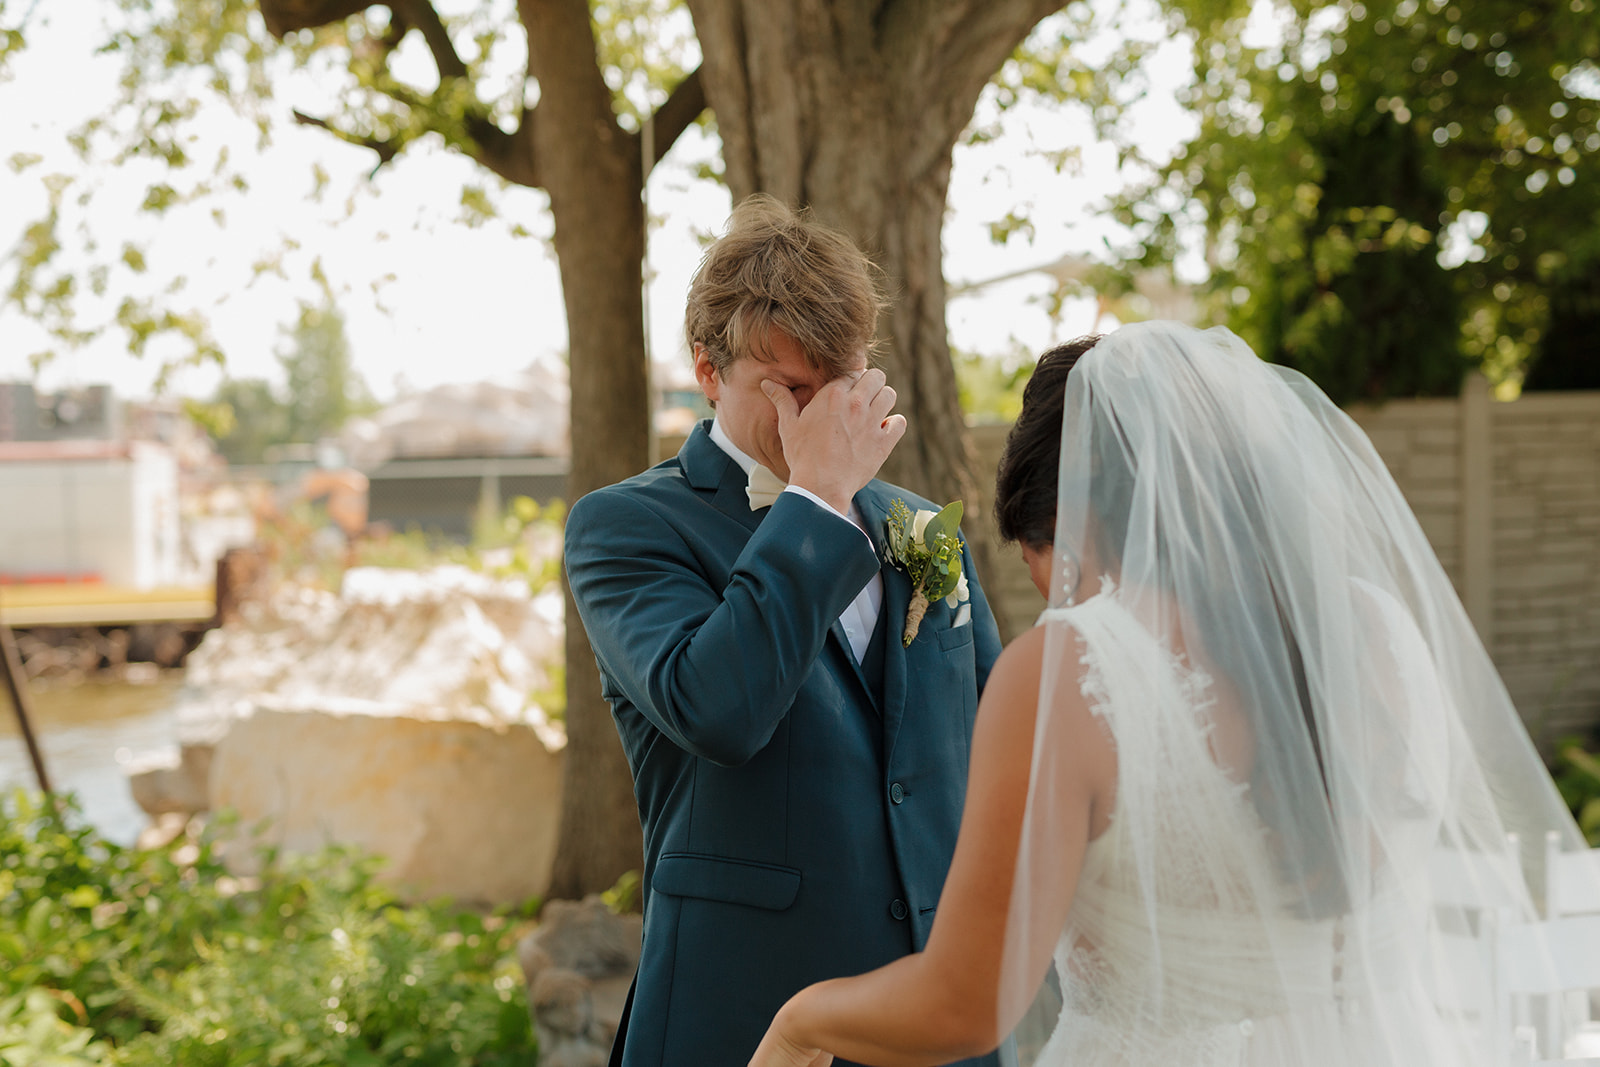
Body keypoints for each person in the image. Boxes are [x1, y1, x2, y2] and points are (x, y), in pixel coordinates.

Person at [750, 320, 1592, 1066]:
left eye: (1037, 560)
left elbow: (965, 1004)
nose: (1053, 597)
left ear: (1069, 518)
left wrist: (802, 1019)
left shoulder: (1067, 672)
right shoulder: (1376, 628)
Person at [564, 194, 1011, 1067]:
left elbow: (994, 743)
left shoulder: (924, 527)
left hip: (936, 1019)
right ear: (706, 370)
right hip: (742, 1015)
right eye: (791, 390)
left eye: (838, 385)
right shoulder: (623, 527)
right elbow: (719, 708)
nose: (819, 418)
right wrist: (813, 501)